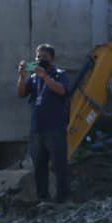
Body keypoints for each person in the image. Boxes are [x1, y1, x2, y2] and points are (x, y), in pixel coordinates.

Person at [16, 43, 72, 203]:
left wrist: (45, 76)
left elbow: (62, 90)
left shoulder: (59, 74)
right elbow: (21, 93)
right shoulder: (33, 78)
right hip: (37, 129)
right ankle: (43, 198)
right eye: (38, 57)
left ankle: (63, 198)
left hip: (55, 128)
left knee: (59, 165)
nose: (40, 60)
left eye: (44, 57)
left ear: (52, 59)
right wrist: (22, 76)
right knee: (39, 166)